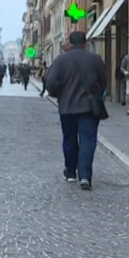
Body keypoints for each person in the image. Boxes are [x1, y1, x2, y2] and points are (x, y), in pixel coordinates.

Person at [46, 32, 107, 190]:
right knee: (88, 140)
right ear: (86, 43)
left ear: (69, 43)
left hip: (67, 107)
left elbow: (51, 82)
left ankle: (71, 172)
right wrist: (97, 95)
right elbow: (104, 82)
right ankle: (85, 176)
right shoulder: (96, 59)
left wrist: (58, 93)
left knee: (69, 139)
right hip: (89, 107)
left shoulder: (61, 60)